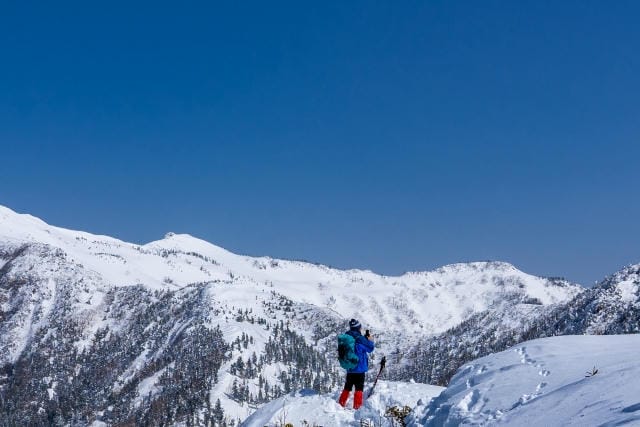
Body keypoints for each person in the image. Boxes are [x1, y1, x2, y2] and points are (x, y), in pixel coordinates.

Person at [338, 318, 375, 409]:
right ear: (358, 328)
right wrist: (370, 339)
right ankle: (357, 407)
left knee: (347, 387)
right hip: (359, 368)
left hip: (350, 367)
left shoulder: (346, 338)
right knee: (359, 388)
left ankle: (340, 404)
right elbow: (370, 349)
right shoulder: (360, 339)